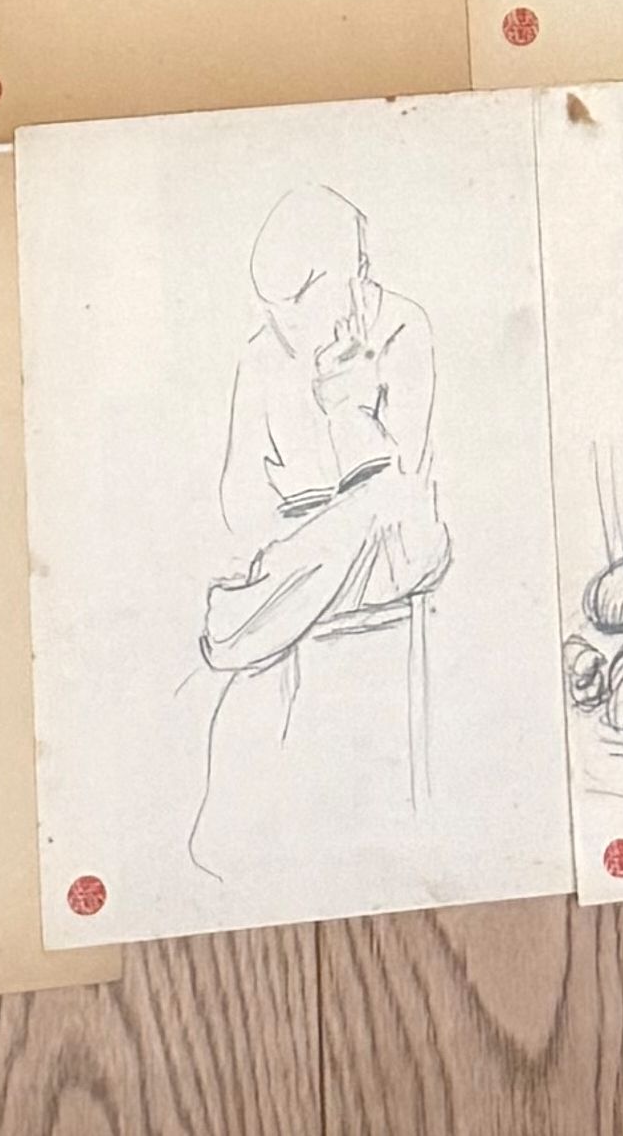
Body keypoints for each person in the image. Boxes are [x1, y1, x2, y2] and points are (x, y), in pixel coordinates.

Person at [192, 190, 451, 881]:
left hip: (394, 543)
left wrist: (347, 409)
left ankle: (239, 623)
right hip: (310, 554)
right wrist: (308, 520)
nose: (284, 330)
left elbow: (398, 480)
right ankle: (258, 616)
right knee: (325, 543)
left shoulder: (402, 329)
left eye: (296, 309)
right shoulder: (262, 355)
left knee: (376, 512)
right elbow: (239, 503)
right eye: (273, 314)